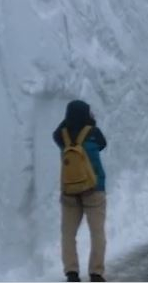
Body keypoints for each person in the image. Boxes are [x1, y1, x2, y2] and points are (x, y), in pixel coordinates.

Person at [52, 100, 109, 283]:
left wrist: (66, 122)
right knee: (97, 233)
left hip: (69, 191)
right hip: (94, 189)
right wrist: (91, 122)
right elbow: (103, 144)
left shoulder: (62, 136)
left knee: (68, 234)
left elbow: (54, 134)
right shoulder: (93, 132)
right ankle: (96, 273)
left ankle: (72, 273)